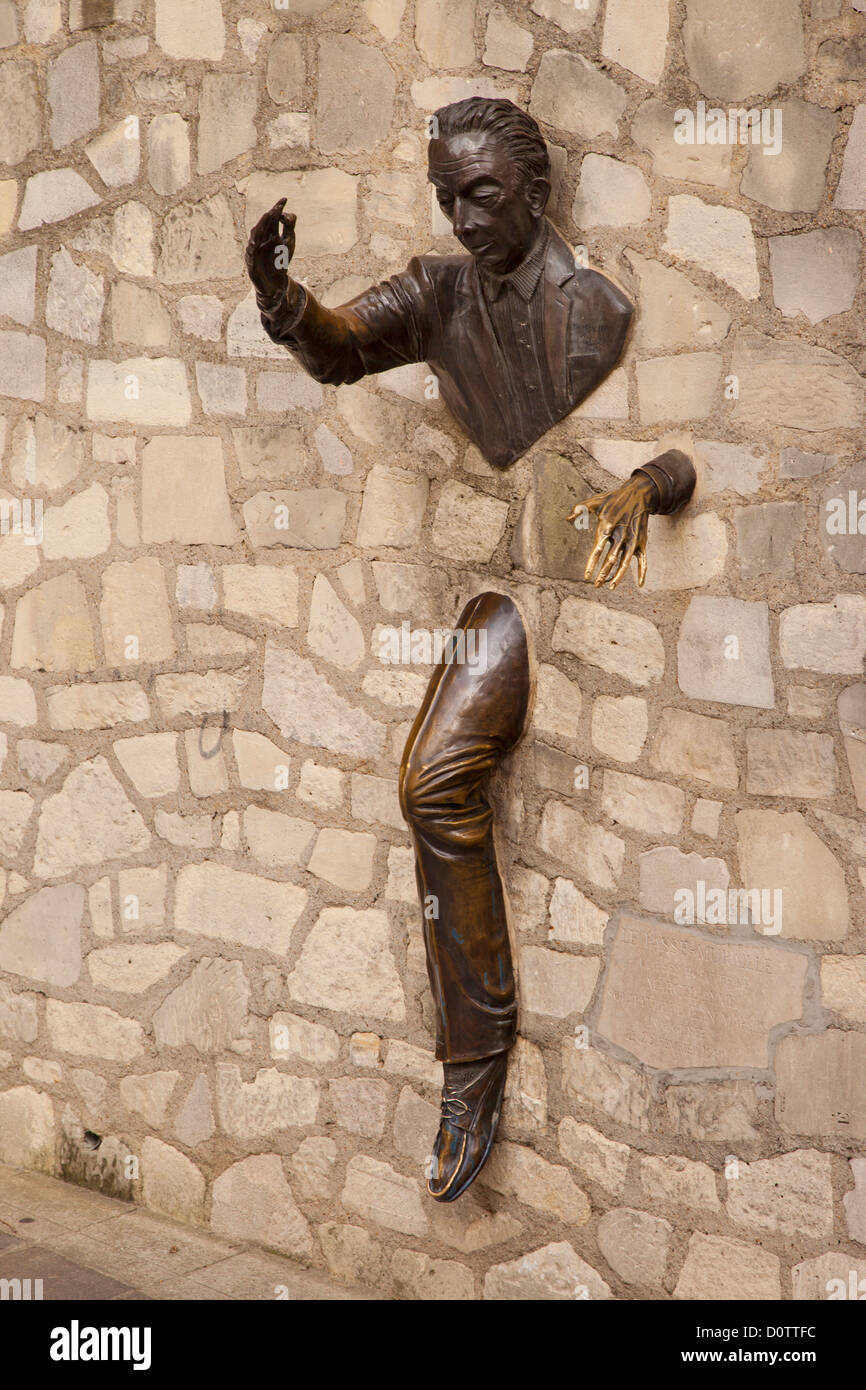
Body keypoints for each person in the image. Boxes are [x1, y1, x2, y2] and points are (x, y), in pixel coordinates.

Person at [245, 96, 696, 1201]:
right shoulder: (436, 292)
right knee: (429, 788)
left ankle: (473, 1059)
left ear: (535, 191)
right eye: (445, 196)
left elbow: (675, 465)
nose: (459, 217)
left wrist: (647, 481)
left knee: (427, 784)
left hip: (547, 602)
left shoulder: (589, 311)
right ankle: (473, 1055)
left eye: (480, 194)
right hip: (485, 597)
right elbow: (341, 348)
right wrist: (278, 298)